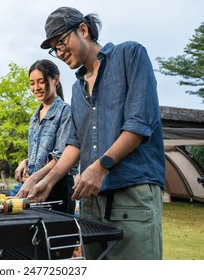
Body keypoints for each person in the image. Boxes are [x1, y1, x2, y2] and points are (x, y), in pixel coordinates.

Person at [25, 7, 165, 260]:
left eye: (61, 42)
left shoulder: (130, 54)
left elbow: (139, 123)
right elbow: (75, 142)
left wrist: (100, 167)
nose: (59, 52)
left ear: (83, 29)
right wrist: (47, 180)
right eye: (54, 48)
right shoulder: (77, 88)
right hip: (90, 200)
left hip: (131, 192)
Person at [16, 59, 77, 214]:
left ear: (55, 80)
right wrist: (26, 161)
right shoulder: (34, 117)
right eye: (32, 83)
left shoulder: (66, 112)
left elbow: (60, 157)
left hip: (58, 186)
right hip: (35, 185)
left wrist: (33, 179)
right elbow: (40, 153)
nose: (36, 88)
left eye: (41, 82)